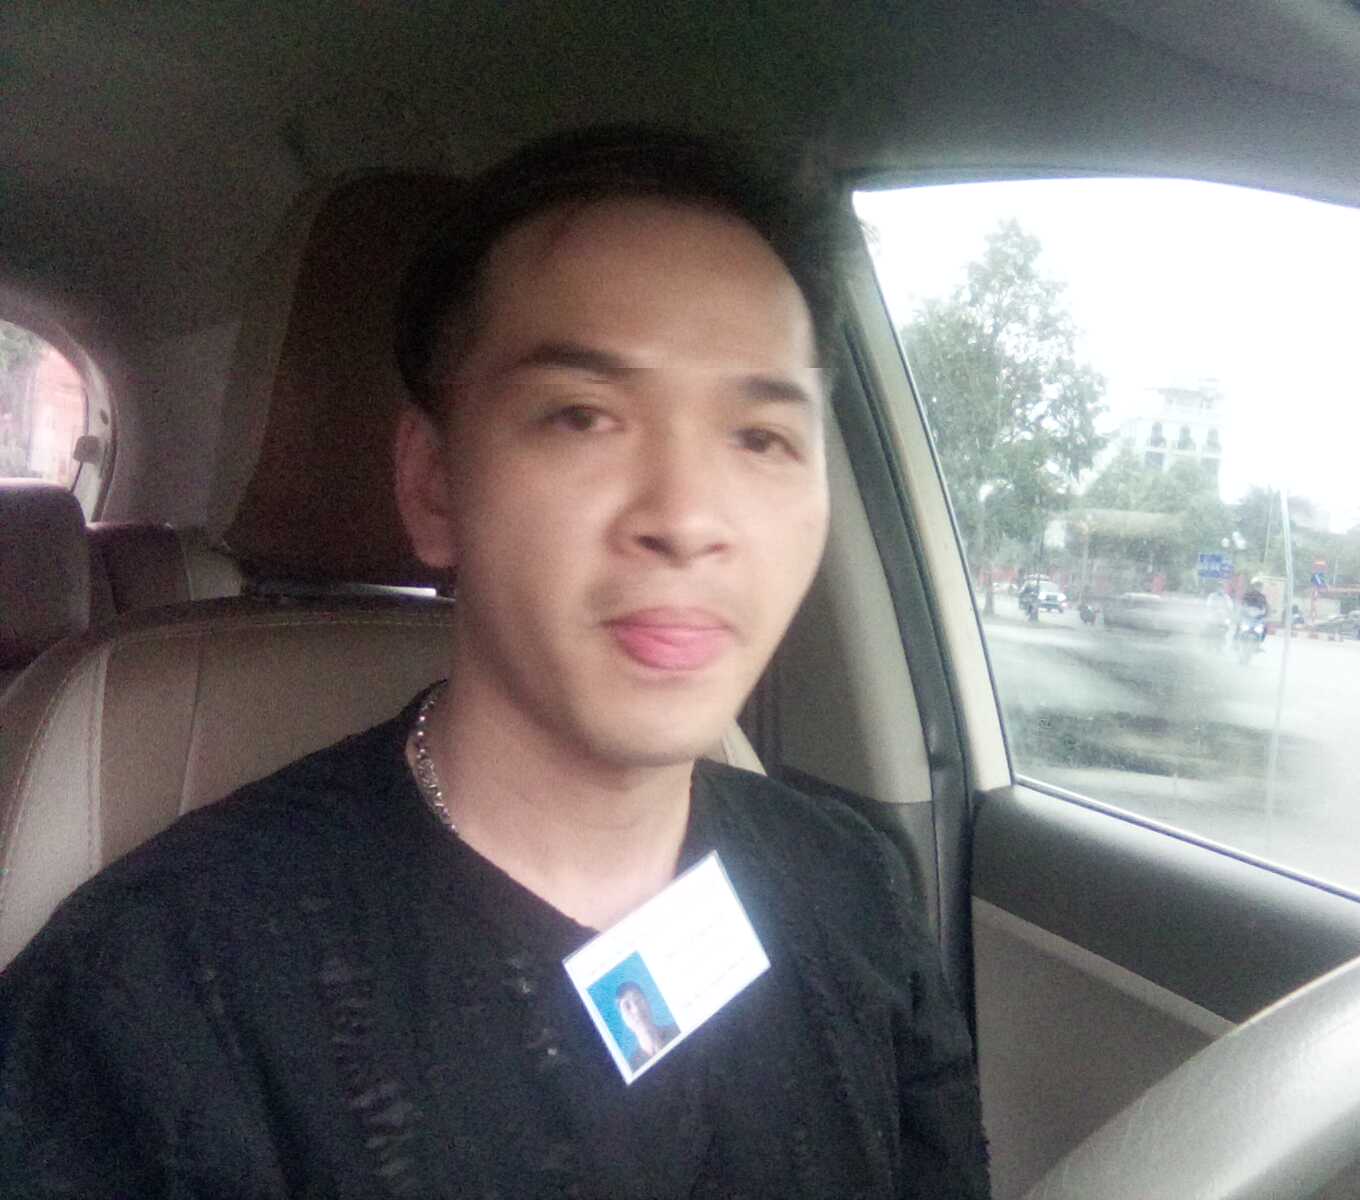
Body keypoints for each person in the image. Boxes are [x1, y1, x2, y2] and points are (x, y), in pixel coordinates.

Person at [0, 128, 990, 1198]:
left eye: (759, 438)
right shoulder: (155, 992)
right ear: (433, 484)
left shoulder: (853, 889)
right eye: (583, 417)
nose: (688, 518)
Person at [617, 980, 681, 1070]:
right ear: (623, 1018)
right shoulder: (631, 1068)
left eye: (638, 1000)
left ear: (648, 1002)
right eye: (627, 1006)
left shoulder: (679, 1029)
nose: (636, 1010)